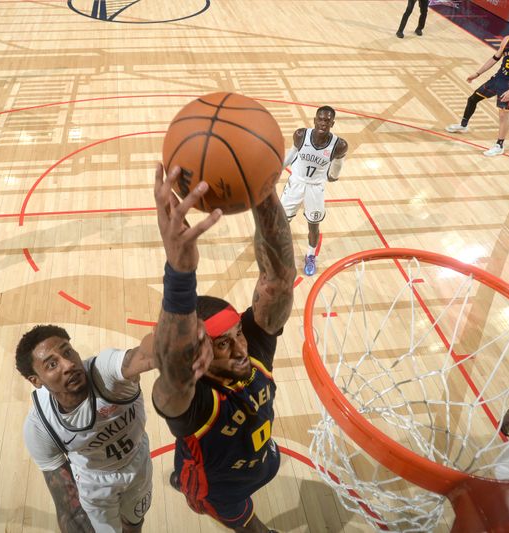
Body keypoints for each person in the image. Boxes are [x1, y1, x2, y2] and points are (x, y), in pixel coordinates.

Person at [151, 164, 296, 533]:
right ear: (198, 354)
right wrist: (179, 273)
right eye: (222, 344)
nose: (239, 349)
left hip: (259, 457)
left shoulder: (251, 349)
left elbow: (278, 281)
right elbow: (172, 366)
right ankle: (184, 479)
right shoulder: (192, 403)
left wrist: (262, 195)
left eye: (238, 334)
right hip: (218, 489)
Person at [17, 325, 159, 533]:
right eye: (52, 364)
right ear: (36, 380)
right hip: (95, 484)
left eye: (67, 352)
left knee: (134, 525)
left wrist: (167, 340)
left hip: (137, 463)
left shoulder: (105, 372)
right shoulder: (40, 426)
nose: (68, 365)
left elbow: (141, 357)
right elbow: (68, 506)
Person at [279, 106, 348, 276]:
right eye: (321, 119)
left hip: (315, 188)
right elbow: (291, 155)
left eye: (327, 120)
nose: (323, 123)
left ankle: (310, 256)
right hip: (296, 182)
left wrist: (334, 175)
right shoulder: (301, 135)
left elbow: (337, 167)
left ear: (333, 122)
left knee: (313, 225)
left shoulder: (339, 145)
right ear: (315, 120)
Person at [446, 20, 509, 157]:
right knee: (473, 99)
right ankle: (463, 125)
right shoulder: (507, 40)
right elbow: (494, 58)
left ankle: (499, 145)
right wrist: (477, 73)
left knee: (503, 115)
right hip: (497, 79)